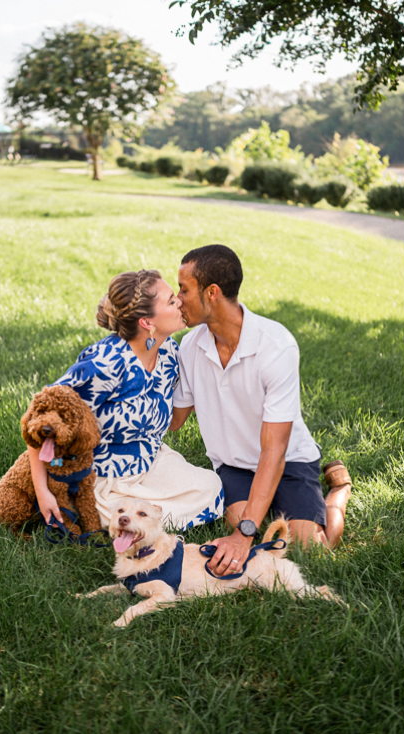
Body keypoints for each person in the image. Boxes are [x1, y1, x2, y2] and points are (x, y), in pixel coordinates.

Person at [169, 245, 351, 576]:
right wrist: (145, 354)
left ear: (212, 293)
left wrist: (242, 538)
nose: (177, 299)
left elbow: (275, 449)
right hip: (235, 464)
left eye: (184, 290)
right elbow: (174, 421)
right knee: (247, 521)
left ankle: (340, 489)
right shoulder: (190, 346)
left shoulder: (275, 346)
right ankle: (263, 510)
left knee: (307, 547)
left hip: (288, 457)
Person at [30, 270, 224, 532]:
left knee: (211, 488)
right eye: (170, 301)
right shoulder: (105, 363)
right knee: (122, 516)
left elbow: (175, 417)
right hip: (102, 478)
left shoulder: (168, 353)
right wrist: (42, 491)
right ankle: (128, 518)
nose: (179, 301)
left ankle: (138, 519)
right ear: (147, 322)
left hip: (150, 461)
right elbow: (40, 417)